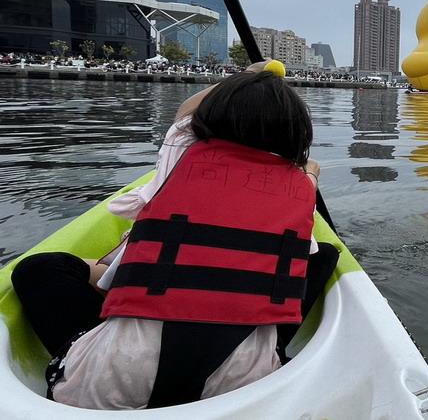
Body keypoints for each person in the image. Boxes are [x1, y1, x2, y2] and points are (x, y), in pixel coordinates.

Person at [12, 61, 337, 410]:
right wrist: (309, 178)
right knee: (324, 255)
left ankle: (109, 319)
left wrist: (246, 76)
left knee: (37, 269)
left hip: (113, 380)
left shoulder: (180, 155)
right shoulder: (300, 187)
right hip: (243, 386)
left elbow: (187, 112)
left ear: (208, 120)